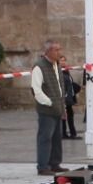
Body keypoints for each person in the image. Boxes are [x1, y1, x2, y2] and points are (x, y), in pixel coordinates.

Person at [30, 40, 67, 175]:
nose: (59, 52)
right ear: (49, 51)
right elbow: (36, 90)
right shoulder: (39, 67)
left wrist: (62, 107)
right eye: (57, 50)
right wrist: (50, 102)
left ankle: (54, 163)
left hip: (57, 107)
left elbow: (59, 86)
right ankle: (43, 166)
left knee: (57, 137)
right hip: (47, 109)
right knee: (45, 137)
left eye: (59, 49)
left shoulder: (56, 65)